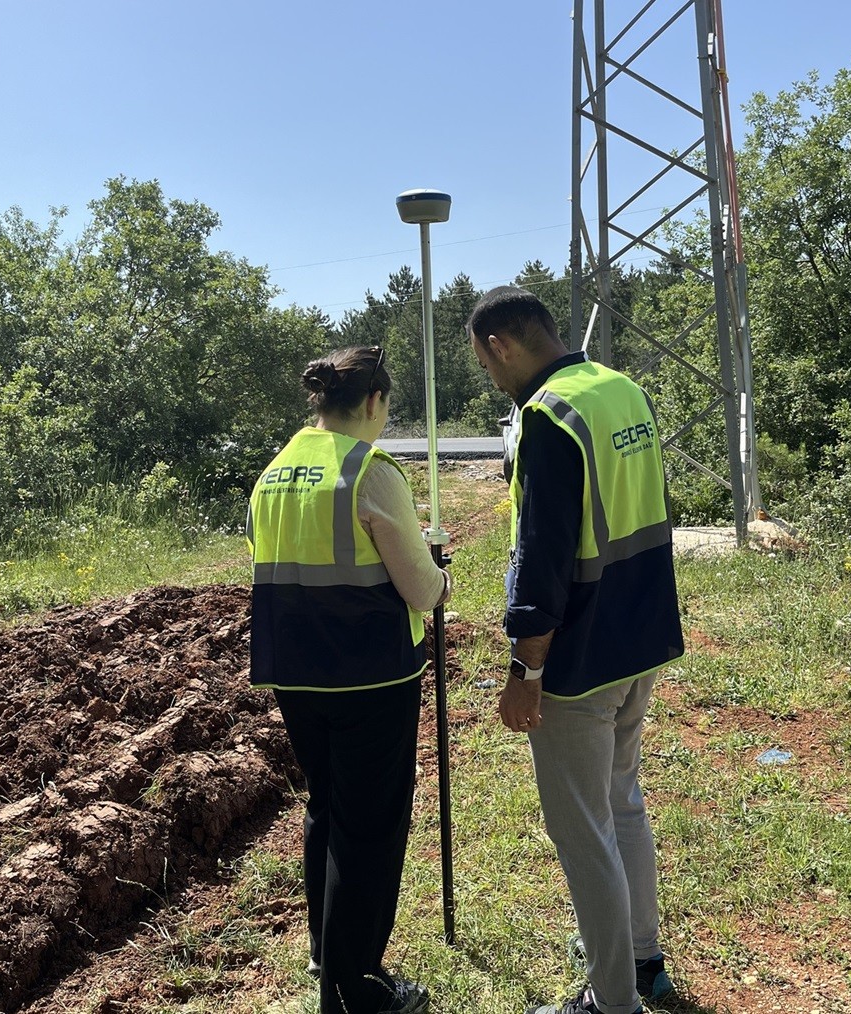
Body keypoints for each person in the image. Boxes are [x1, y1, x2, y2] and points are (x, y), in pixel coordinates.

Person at [466, 288, 684, 1014]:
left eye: (485, 362)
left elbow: (543, 557)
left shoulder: (547, 418)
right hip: (640, 636)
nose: (491, 378)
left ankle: (612, 1001)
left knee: (583, 831)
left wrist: (526, 670)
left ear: (500, 344)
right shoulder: (622, 391)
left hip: (581, 659)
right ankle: (645, 959)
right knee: (621, 800)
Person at [246, 346, 450, 1014]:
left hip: (296, 677)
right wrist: (442, 574)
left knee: (326, 809)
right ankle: (355, 985)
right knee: (370, 829)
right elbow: (420, 590)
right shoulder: (370, 471)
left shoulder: (271, 474)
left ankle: (324, 950)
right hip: (370, 679)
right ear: (373, 402)